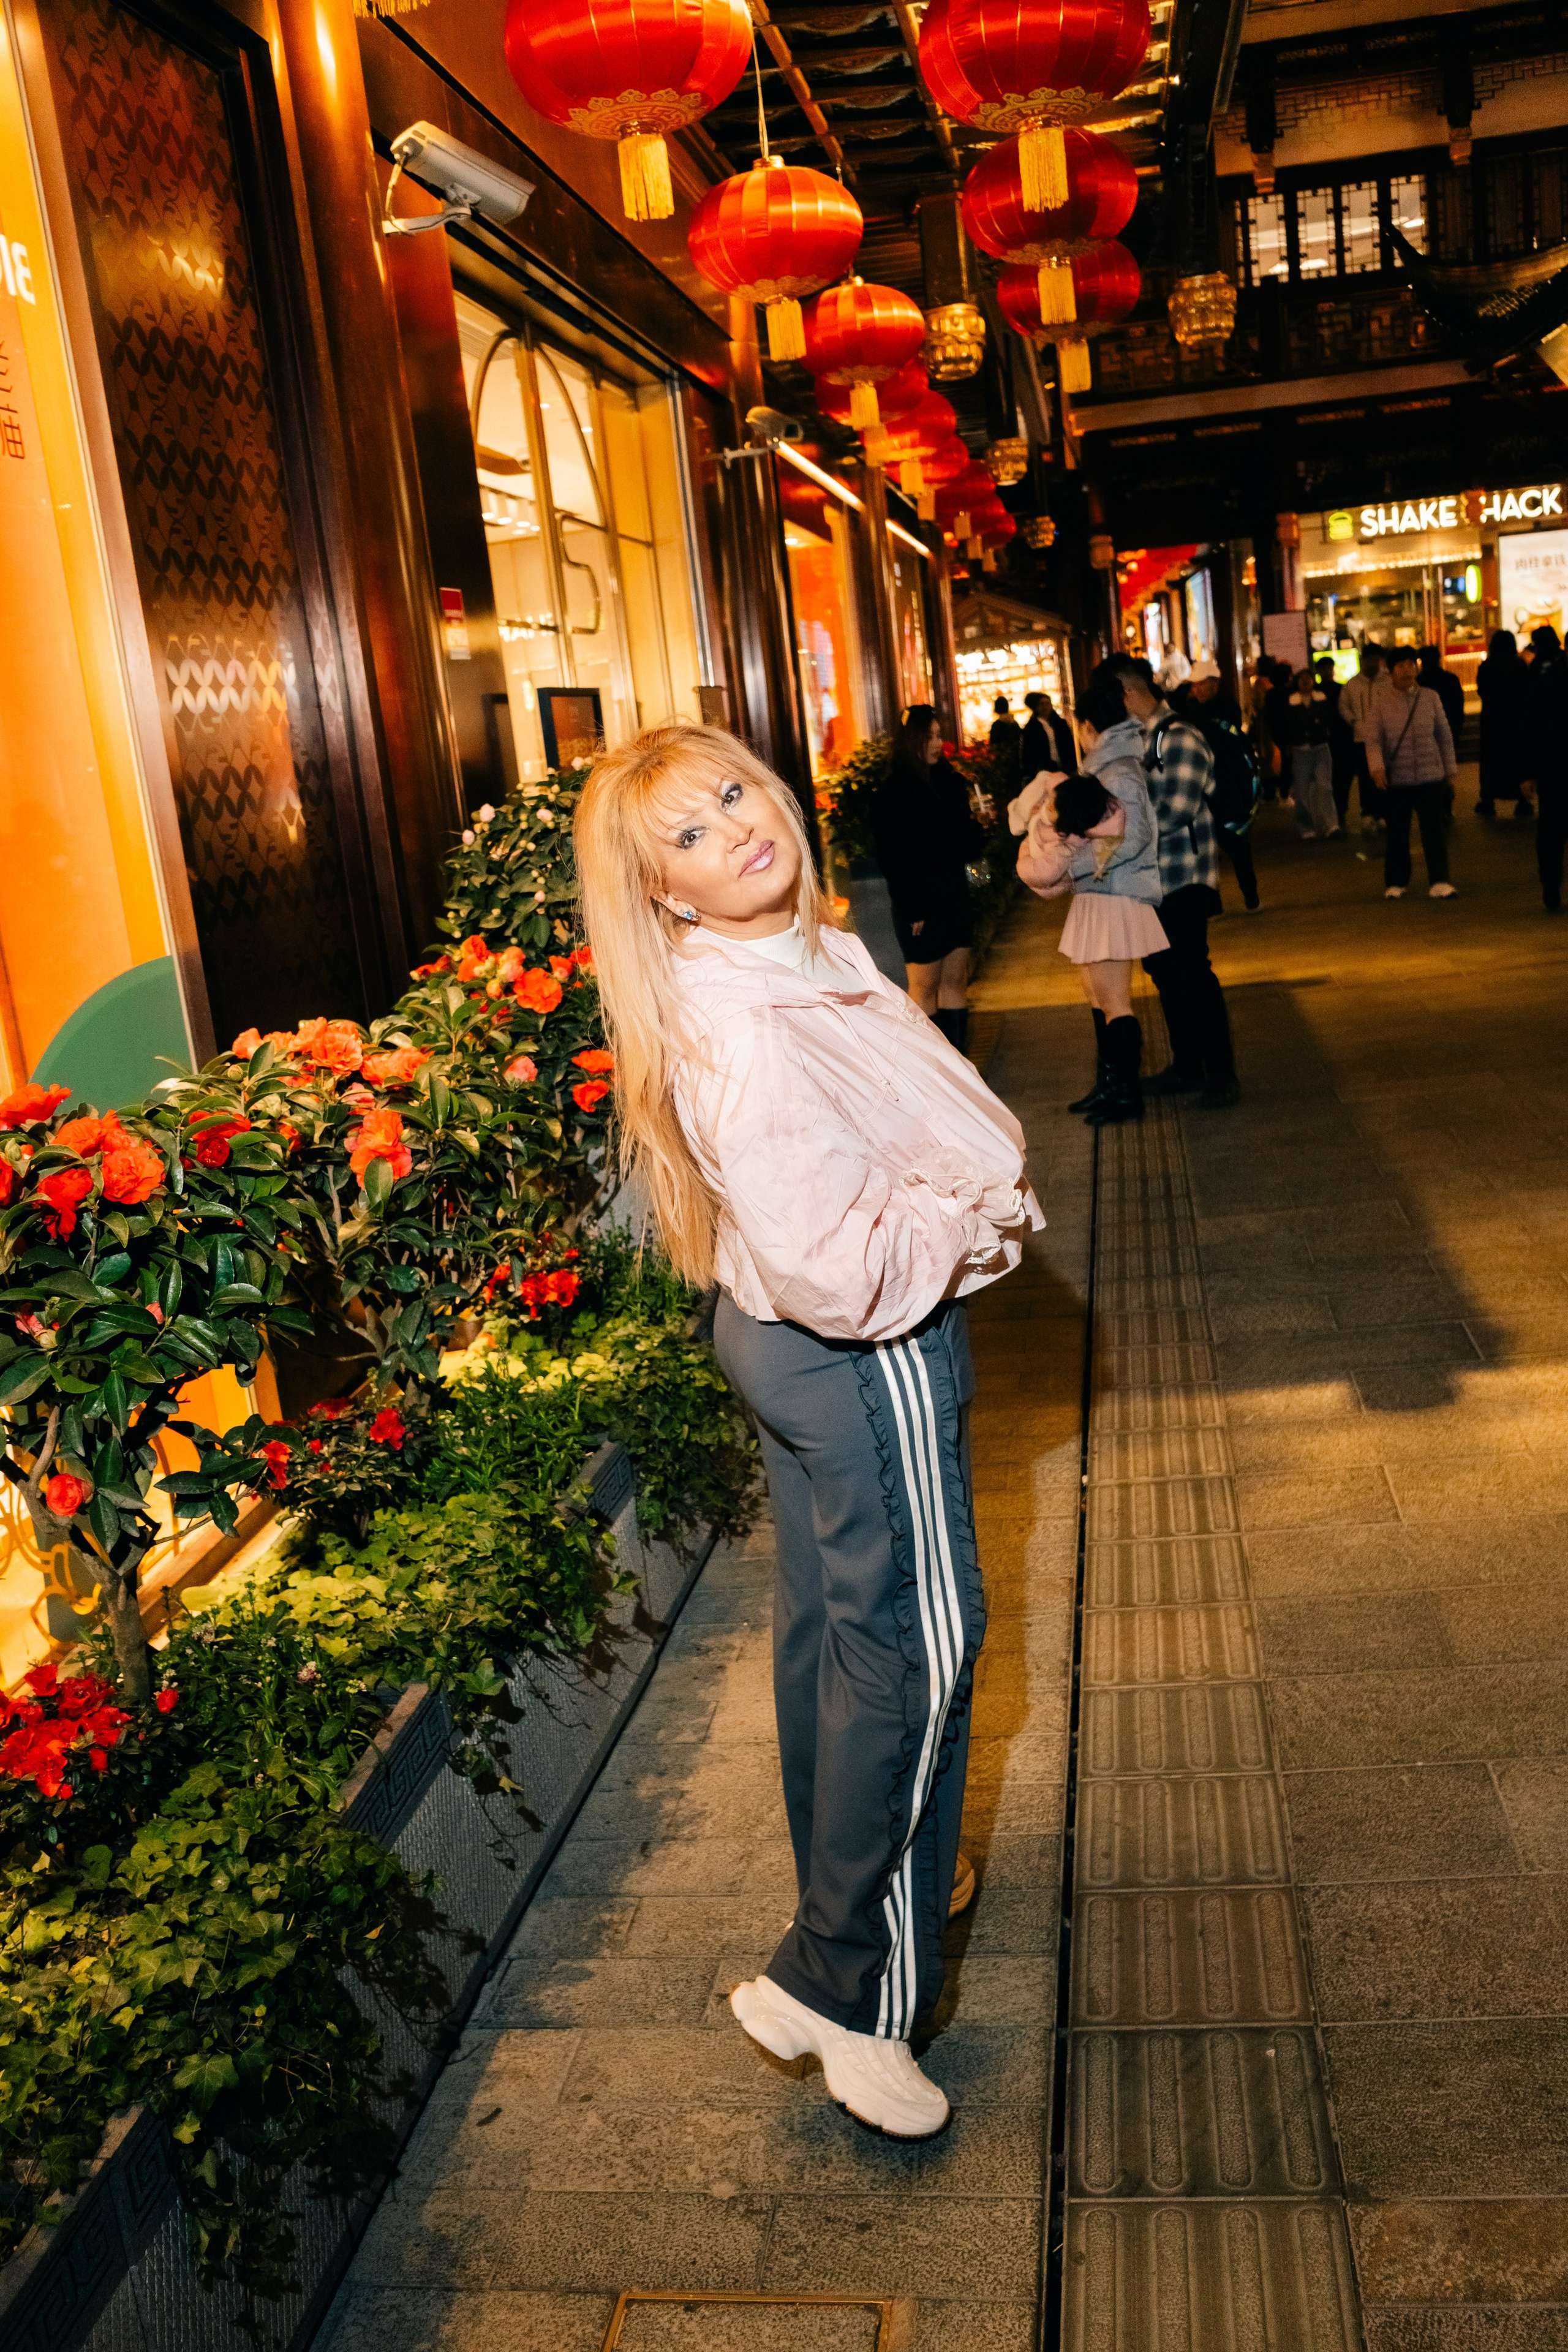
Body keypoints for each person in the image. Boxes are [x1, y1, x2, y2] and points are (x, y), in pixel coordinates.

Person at [574, 722, 1041, 2139]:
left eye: (729, 793)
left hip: (789, 1339)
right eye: (691, 837)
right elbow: (848, 1264)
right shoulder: (752, 1023)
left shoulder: (799, 952)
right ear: (661, 896)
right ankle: (848, 1987)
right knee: (914, 1642)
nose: (736, 828)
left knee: (839, 1642)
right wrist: (970, 1203)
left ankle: (868, 1889)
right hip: (858, 1345)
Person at [1009, 671, 1166, 1125]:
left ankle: (1125, 1094)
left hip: (1115, 896)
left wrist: (1068, 867)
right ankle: (1110, 1085)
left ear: (1090, 728)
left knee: (1114, 1000)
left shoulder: (1118, 770)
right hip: (1101, 896)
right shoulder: (1108, 767)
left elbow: (1133, 837)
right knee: (1098, 995)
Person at [1106, 655, 1240, 1109]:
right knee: (1165, 973)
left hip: (1184, 876)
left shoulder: (1179, 736)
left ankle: (1221, 1073)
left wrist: (1117, 835)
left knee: (1193, 972)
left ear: (1129, 691)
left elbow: (1176, 810)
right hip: (1151, 880)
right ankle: (1187, 1066)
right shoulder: (1137, 740)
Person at [869, 706, 992, 1052]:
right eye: (929, 736)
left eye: (940, 735)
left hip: (954, 893)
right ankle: (936, 1073)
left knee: (955, 982)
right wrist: (912, 908)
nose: (938, 743)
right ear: (912, 741)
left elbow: (964, 846)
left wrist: (979, 826)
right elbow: (893, 858)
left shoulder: (951, 781)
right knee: (923, 986)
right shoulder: (893, 792)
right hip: (919, 900)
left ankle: (962, 1070)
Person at [1365, 646, 1458, 899]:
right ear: (1390, 670)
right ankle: (1396, 882)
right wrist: (1376, 768)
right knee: (1397, 832)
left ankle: (1439, 881)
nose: (1407, 670)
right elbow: (1373, 740)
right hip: (1398, 779)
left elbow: (1444, 735)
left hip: (1431, 776)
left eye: (1411, 664)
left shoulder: (1430, 697)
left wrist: (1450, 769)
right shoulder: (1381, 703)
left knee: (1434, 830)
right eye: (1401, 666)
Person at [1186, 659, 1262, 912]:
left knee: (1237, 844)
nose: (1197, 689)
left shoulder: (1225, 707)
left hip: (1228, 784)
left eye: (1201, 684)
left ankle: (1250, 894)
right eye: (1194, 685)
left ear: (1214, 683)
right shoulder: (1190, 710)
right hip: (1202, 787)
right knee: (1207, 850)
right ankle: (1212, 904)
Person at [1526, 627, 1568, 908]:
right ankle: (1551, 885)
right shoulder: (1551, 677)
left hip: (1551, 767)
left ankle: (1551, 886)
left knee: (1551, 831)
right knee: (1552, 830)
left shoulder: (1541, 675)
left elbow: (1530, 725)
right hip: (1554, 766)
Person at [1476, 628, 1531, 818]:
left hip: (1492, 721)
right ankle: (1523, 801)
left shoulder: (1486, 666)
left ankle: (1488, 801)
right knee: (1518, 759)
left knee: (1492, 760)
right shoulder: (1520, 666)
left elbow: (1482, 691)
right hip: (1516, 720)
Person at [1286, 665, 1338, 839]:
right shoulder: (1291, 701)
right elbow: (1292, 725)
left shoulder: (1322, 698)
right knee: (1301, 791)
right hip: (1301, 750)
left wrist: (1309, 726)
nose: (1305, 682)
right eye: (1302, 679)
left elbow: (1326, 720)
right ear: (1297, 682)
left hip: (1320, 747)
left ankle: (1331, 825)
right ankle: (1306, 827)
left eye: (1308, 679)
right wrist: (1313, 724)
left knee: (1325, 787)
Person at [1339, 643, 1385, 832]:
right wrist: (1354, 721)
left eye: (1377, 660)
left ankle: (1383, 813)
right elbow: (1344, 706)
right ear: (1362, 661)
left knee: (1383, 775)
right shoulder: (1352, 684)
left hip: (1384, 738)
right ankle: (1368, 813)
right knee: (1366, 777)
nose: (1373, 664)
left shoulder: (1388, 682)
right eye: (1370, 660)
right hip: (1361, 738)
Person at [1020, 688, 1077, 783]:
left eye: (1047, 703)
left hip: (1064, 765)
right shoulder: (1031, 728)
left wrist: (1072, 765)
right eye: (1041, 704)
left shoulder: (1060, 724)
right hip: (1044, 768)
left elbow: (1069, 744)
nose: (1045, 707)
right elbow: (1028, 752)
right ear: (1036, 707)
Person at [1419, 643, 1466, 753]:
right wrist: (1457, 726)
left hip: (1425, 732)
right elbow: (1458, 704)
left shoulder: (1419, 683)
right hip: (1449, 726)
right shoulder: (1451, 680)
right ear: (1438, 660)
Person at [987, 695, 1022, 802]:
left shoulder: (997, 726)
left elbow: (993, 745)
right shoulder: (1015, 723)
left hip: (1003, 764)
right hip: (1016, 761)